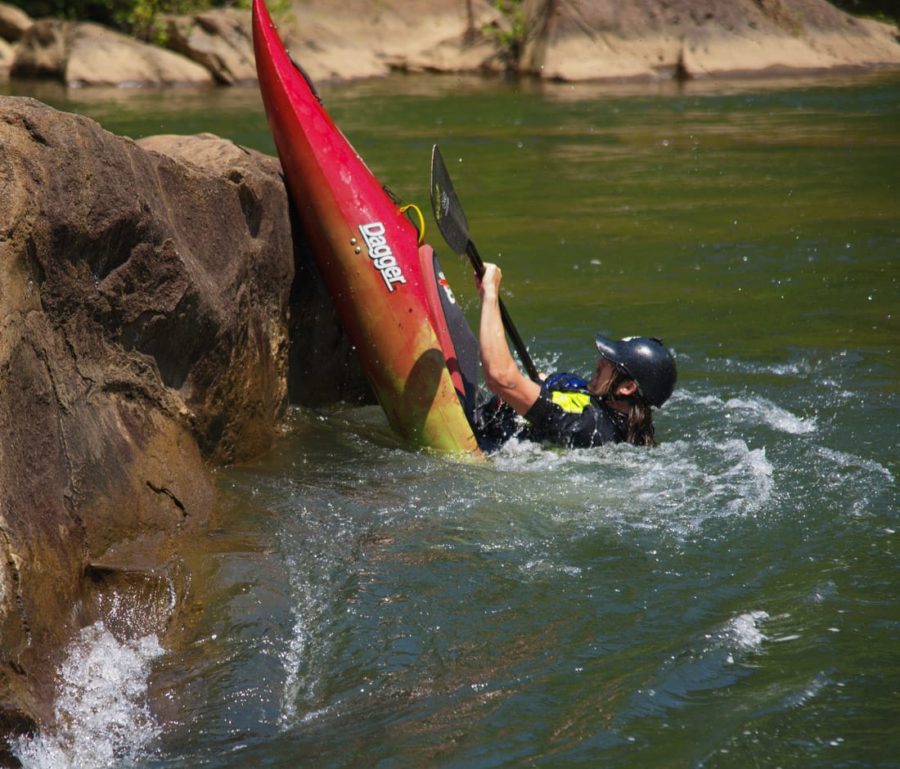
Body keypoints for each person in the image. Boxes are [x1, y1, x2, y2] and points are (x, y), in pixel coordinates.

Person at [473, 263, 676, 450]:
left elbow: (500, 378)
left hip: (481, 440)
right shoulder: (600, 401)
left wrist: (490, 295)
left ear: (627, 388)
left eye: (611, 363)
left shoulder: (585, 425)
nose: (600, 362)